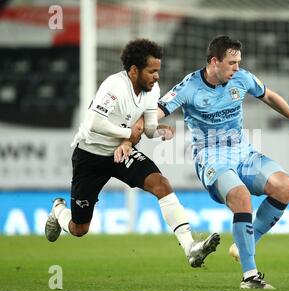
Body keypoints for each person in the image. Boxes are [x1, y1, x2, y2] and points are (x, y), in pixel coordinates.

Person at [123, 35, 289, 289]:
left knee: (285, 186)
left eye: (238, 62)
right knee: (242, 197)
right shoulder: (189, 87)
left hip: (243, 153)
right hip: (211, 158)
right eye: (232, 63)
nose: (237, 68)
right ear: (215, 61)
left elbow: (269, 96)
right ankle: (250, 277)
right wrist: (137, 134)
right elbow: (155, 112)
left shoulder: (242, 78)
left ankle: (244, 244)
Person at [45, 38, 220, 268]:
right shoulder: (113, 87)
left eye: (158, 70)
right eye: (151, 71)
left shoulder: (152, 89)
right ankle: (58, 211)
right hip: (90, 156)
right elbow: (95, 123)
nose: (156, 76)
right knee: (79, 229)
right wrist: (127, 132)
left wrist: (158, 131)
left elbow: (146, 129)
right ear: (134, 70)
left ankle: (190, 247)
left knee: (161, 184)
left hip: (122, 154)